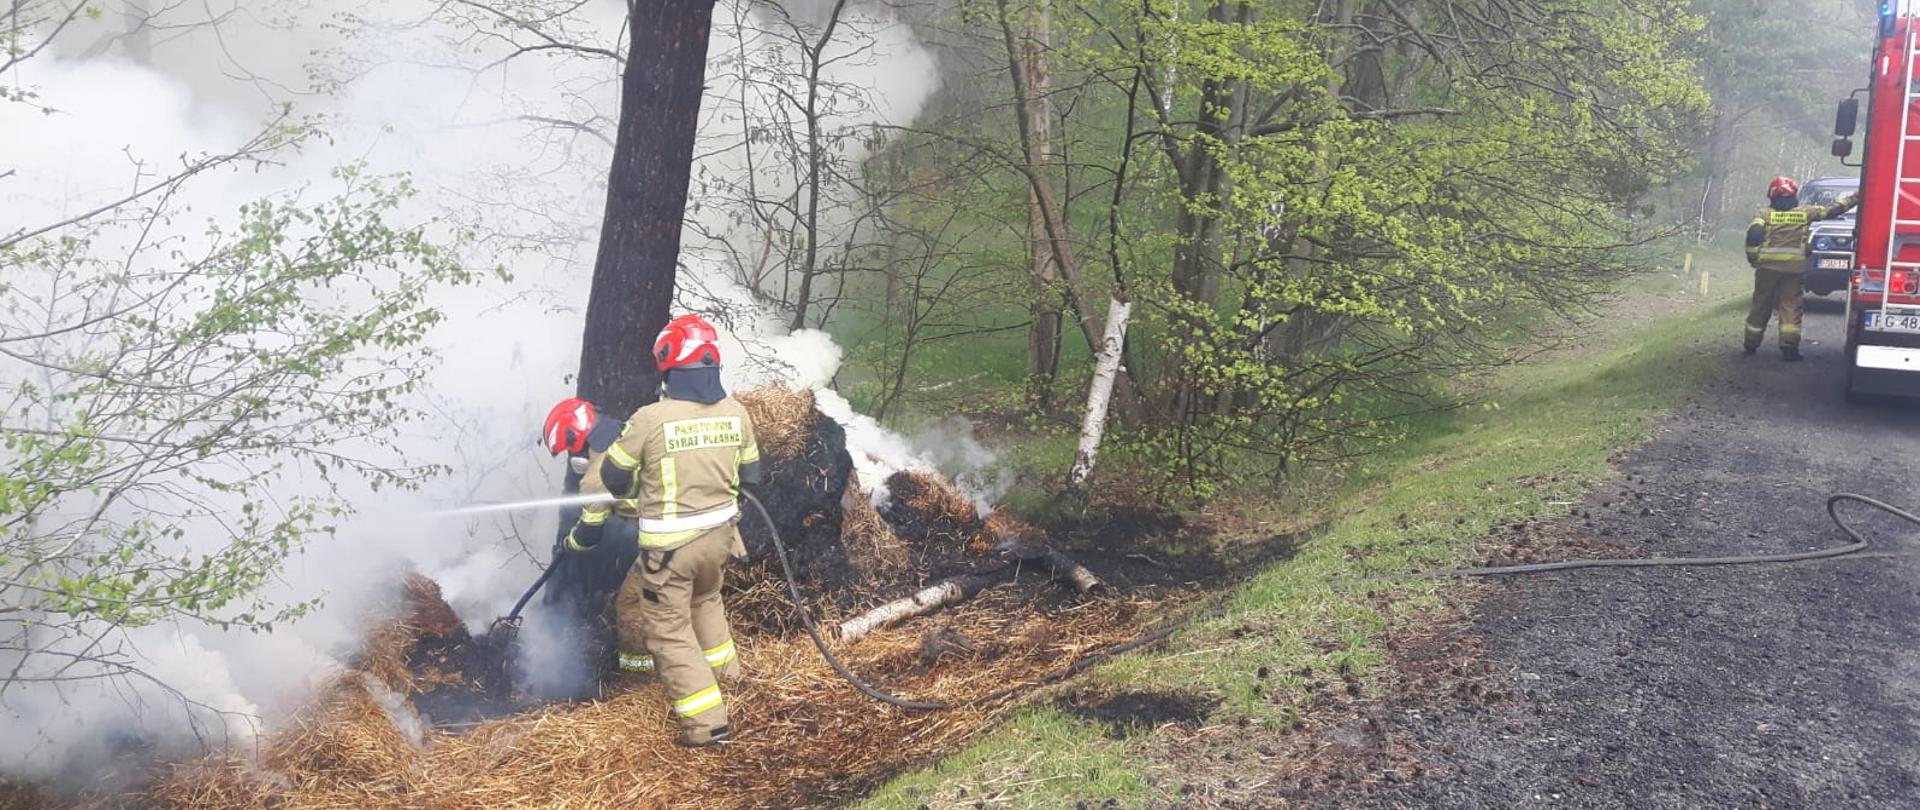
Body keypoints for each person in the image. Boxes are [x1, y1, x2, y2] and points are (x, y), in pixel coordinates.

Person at [562, 314, 761, 747]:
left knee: (670, 632)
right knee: (707, 604)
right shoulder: (736, 412)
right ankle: (734, 685)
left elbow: (614, 477)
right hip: (721, 540)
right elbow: (752, 475)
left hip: (670, 552)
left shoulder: (651, 418)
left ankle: (707, 726)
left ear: (669, 364)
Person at [1745, 176, 1858, 361]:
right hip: (1794, 270)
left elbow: (1754, 235)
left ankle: (1751, 344)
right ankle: (1789, 348)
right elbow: (1832, 210)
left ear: (1772, 195)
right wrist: (1856, 197)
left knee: (1761, 304)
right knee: (1790, 306)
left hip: (1767, 269)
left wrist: (1753, 258)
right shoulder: (1805, 212)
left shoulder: (1763, 214)